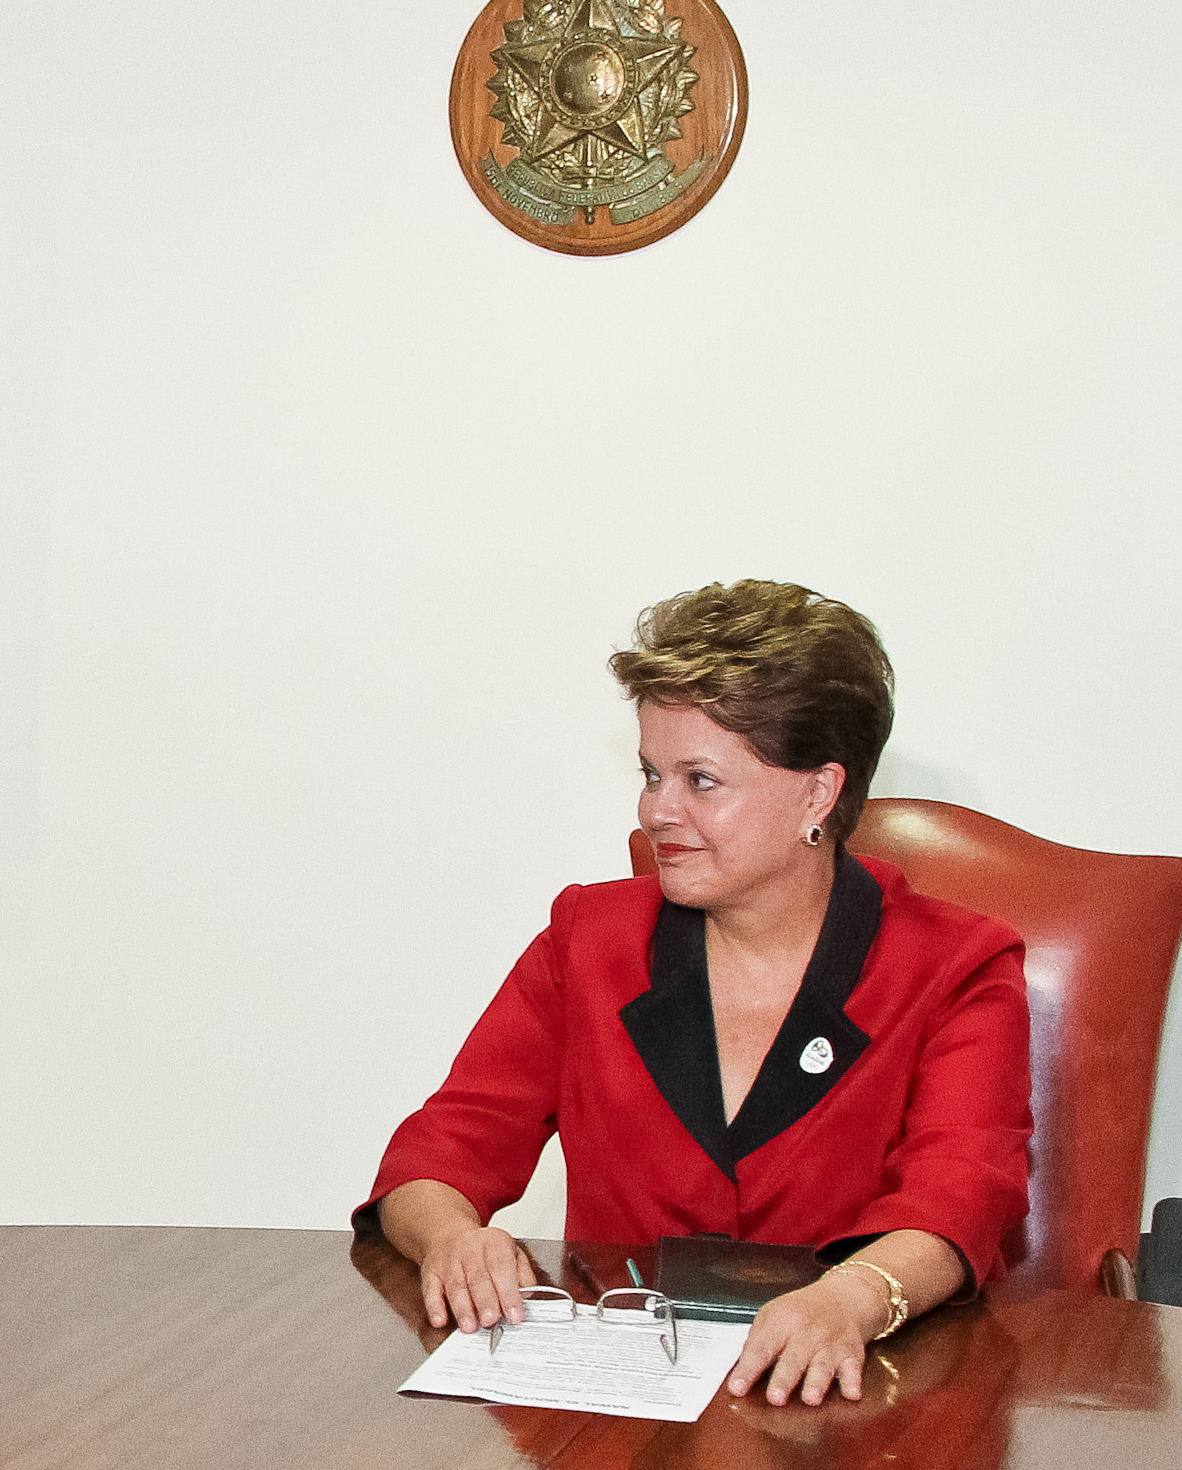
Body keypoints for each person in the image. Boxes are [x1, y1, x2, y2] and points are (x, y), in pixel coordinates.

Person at [363, 580, 1031, 1407]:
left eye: (699, 781)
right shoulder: (589, 938)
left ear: (818, 792)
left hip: (860, 1414)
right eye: (651, 773)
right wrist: (452, 1238)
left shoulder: (956, 965)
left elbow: (961, 1190)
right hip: (618, 1423)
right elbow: (442, 1150)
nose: (655, 810)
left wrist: (851, 1299)